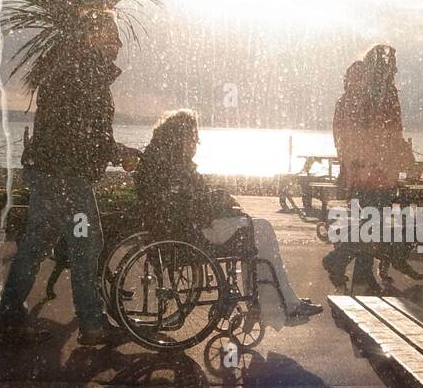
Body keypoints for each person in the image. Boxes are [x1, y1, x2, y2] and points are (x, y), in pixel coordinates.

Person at [0, 7, 139, 345]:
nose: (117, 43)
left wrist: (113, 152)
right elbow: (84, 133)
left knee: (36, 244)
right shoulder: (82, 73)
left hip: (50, 170)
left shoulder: (72, 69)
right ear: (90, 36)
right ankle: (92, 326)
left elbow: (82, 131)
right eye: (109, 36)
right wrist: (120, 154)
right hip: (65, 174)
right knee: (87, 246)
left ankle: (12, 316)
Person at [135, 109, 322, 327]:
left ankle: (276, 302)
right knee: (260, 231)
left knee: (256, 230)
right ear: (182, 138)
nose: (195, 145)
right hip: (192, 231)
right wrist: (223, 203)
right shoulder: (174, 165)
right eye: (194, 139)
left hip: (178, 228)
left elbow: (186, 199)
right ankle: (281, 304)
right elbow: (192, 204)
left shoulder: (161, 159)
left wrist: (219, 200)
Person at [324, 44, 414, 292]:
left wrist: (350, 165)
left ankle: (362, 275)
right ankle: (339, 260)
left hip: (370, 170)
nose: (393, 70)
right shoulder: (375, 95)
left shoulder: (371, 94)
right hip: (373, 171)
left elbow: (388, 132)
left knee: (372, 220)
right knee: (373, 221)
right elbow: (386, 132)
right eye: (389, 65)